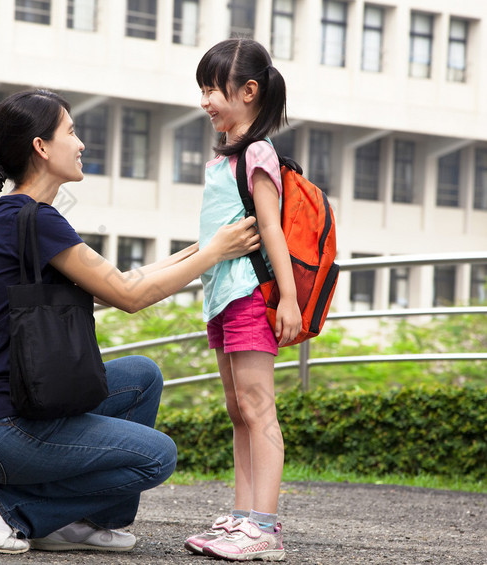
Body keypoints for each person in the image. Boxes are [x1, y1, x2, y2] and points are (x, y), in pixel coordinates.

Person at [0, 89, 261, 555]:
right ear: (41, 147)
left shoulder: (25, 218)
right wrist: (216, 252)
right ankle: (9, 509)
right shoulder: (31, 219)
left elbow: (119, 283)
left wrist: (203, 248)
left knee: (140, 378)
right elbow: (130, 296)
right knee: (158, 456)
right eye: (71, 132)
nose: (81, 143)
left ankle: (83, 522)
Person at [182, 39, 302, 562]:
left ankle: (264, 528)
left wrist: (289, 300)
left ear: (248, 91)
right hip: (222, 298)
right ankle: (243, 517)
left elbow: (272, 228)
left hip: (251, 296)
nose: (206, 100)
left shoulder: (257, 152)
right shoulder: (223, 156)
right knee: (238, 410)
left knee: (258, 408)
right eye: (202, 89)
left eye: (213, 88)